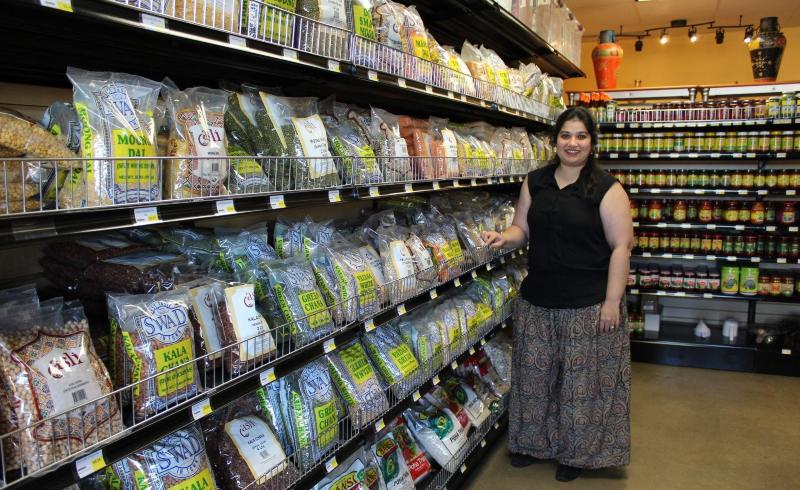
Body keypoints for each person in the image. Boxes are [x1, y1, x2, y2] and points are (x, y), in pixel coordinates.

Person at [482, 107, 634, 482]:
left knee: (580, 387)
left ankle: (576, 454)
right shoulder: (535, 182)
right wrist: (504, 237)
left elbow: (621, 247)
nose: (573, 143)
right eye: (566, 135)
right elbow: (521, 228)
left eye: (581, 136)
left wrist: (612, 302)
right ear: (555, 140)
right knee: (535, 379)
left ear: (592, 142)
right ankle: (532, 444)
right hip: (538, 299)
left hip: (588, 303)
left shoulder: (607, 188)